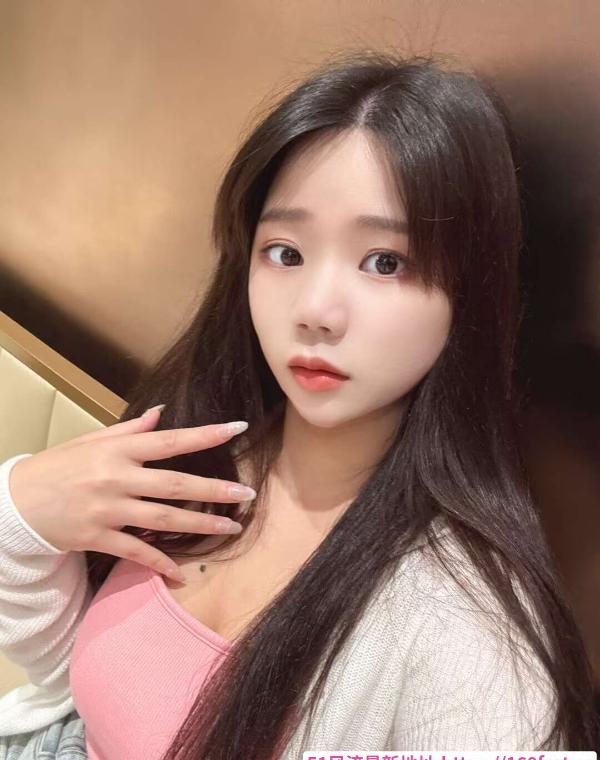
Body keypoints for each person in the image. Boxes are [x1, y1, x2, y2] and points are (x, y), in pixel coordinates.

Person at [0, 49, 598, 759]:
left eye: (385, 262)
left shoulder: (462, 631)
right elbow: (78, 687)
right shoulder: (193, 445)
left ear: (470, 293)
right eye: (285, 252)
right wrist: (20, 514)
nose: (315, 309)